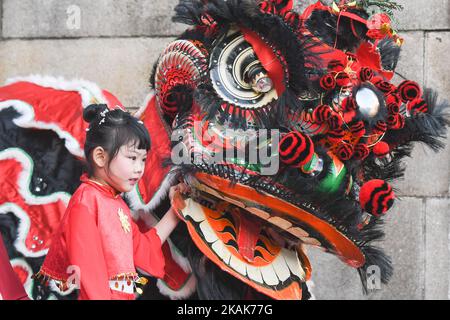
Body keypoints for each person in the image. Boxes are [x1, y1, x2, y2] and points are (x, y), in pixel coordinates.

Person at [35, 104, 188, 300]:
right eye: (132, 157)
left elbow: (144, 248)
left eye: (143, 160)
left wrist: (176, 208)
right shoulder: (86, 204)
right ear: (100, 156)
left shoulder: (114, 203)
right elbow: (91, 280)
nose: (139, 168)